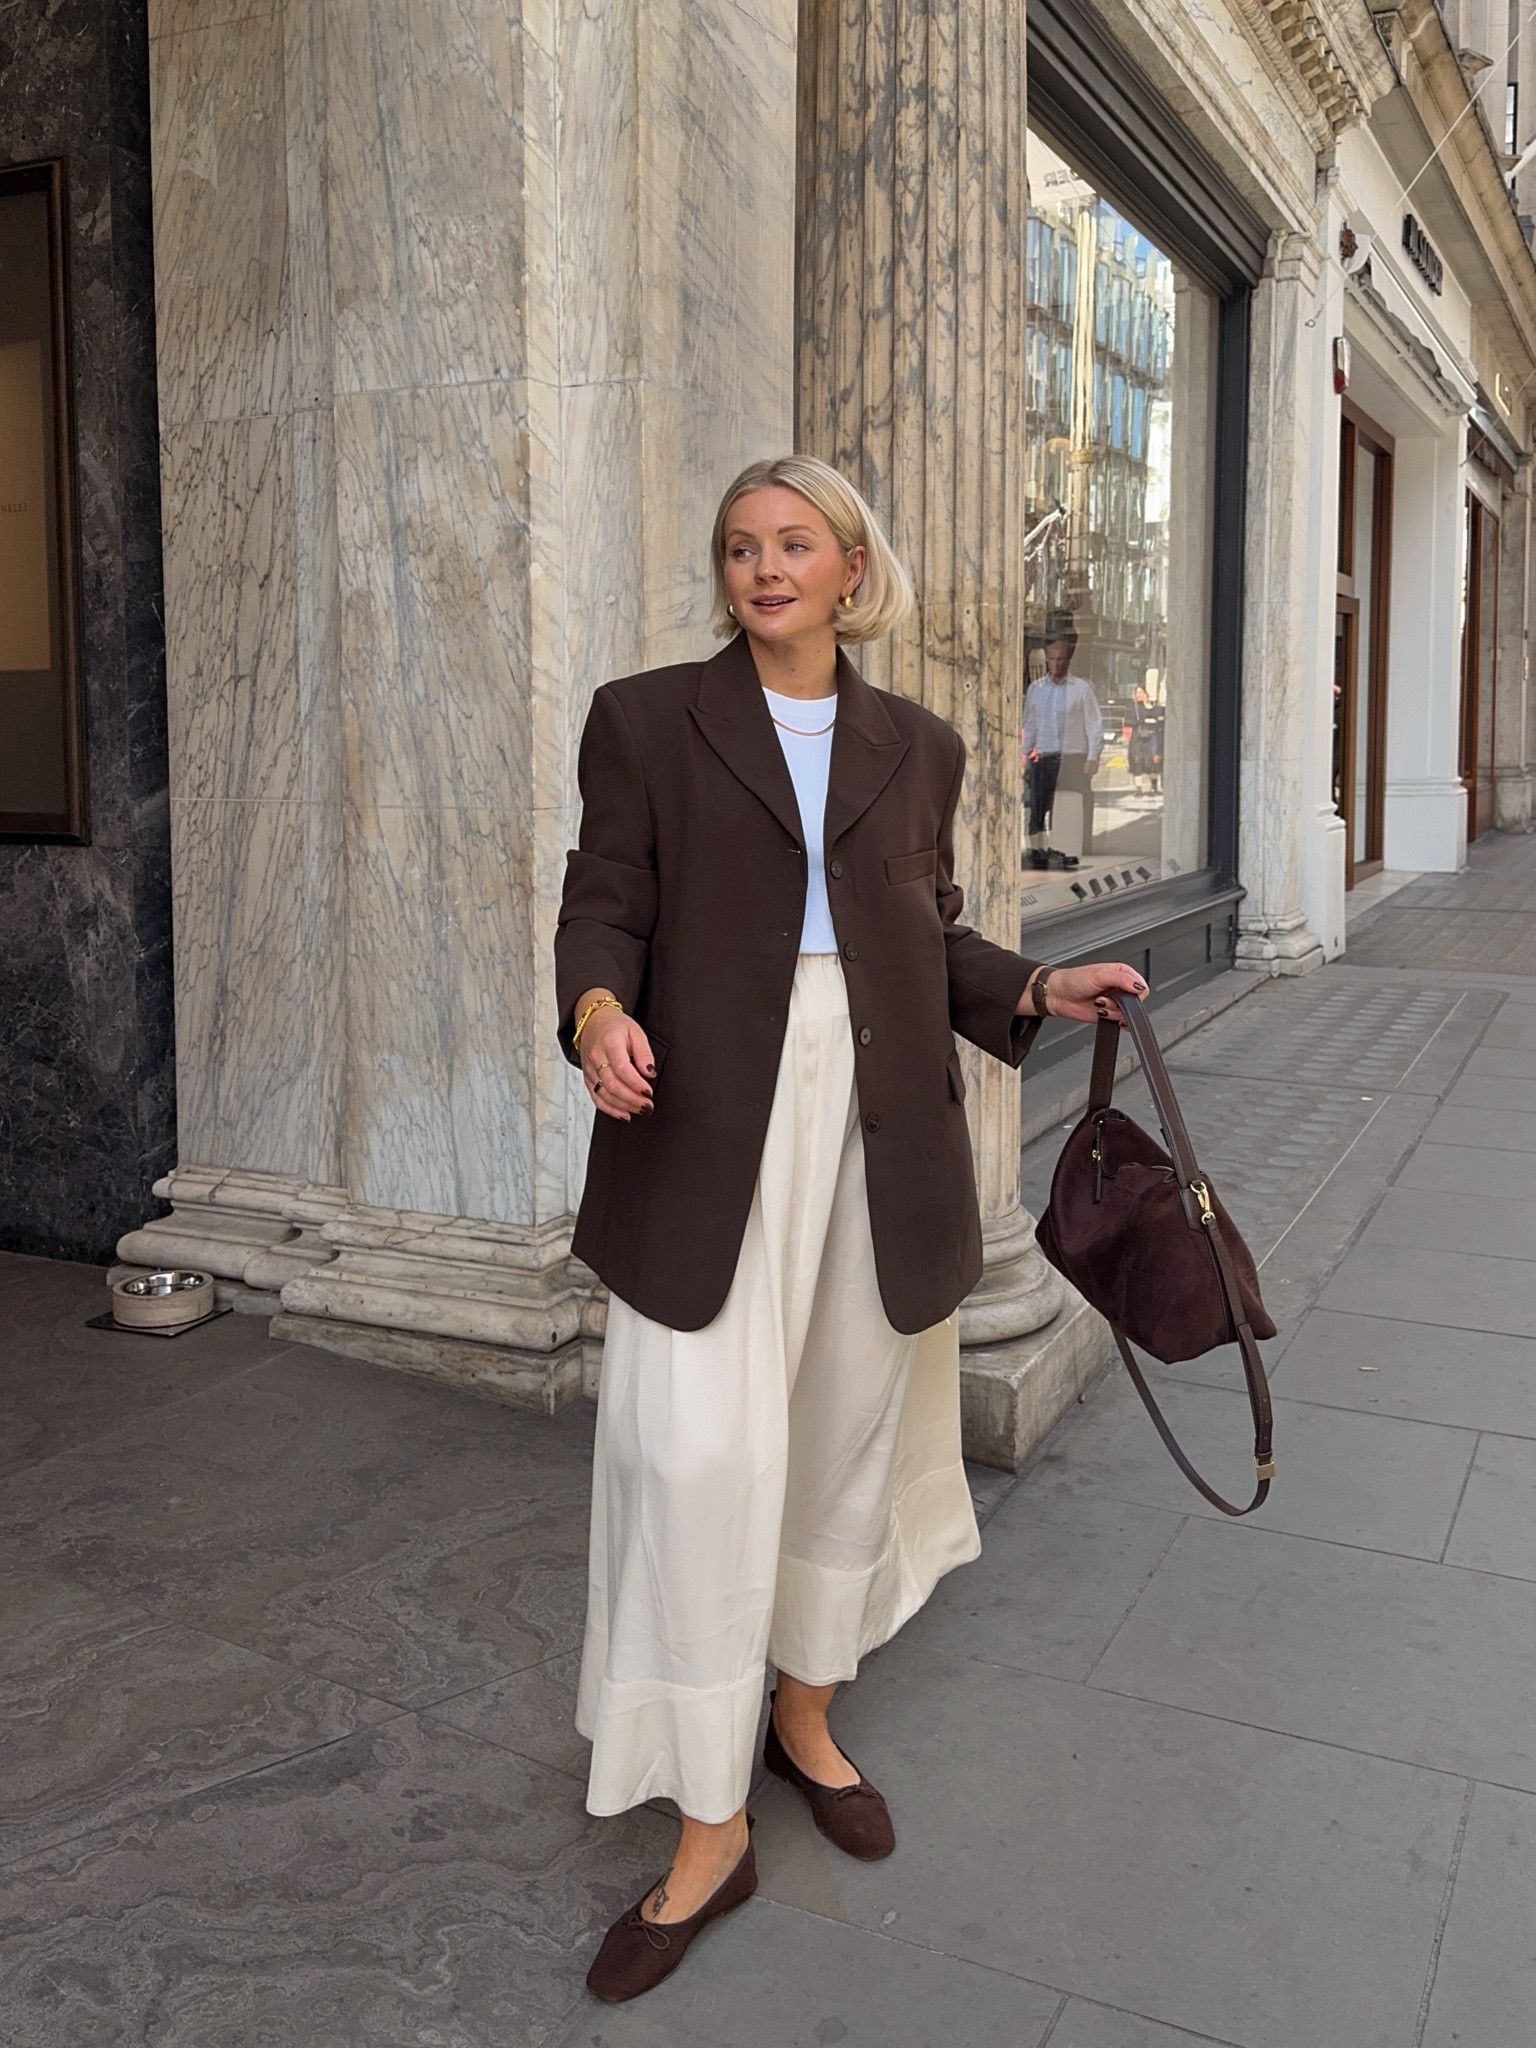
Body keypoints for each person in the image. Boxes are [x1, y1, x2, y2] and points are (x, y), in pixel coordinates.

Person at [556, 455, 1147, 2005]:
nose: (764, 568)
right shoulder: (645, 719)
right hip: (702, 1123)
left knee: (842, 1432)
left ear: (848, 568)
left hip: (877, 1128)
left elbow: (922, 934)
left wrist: (1033, 987)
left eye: (794, 544)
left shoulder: (921, 745)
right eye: (740, 546)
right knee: (693, 1452)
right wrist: (598, 1007)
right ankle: (705, 1819)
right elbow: (602, 893)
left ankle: (804, 1710)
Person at [1023, 626, 1103, 868]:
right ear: (1047, 660)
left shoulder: (1082, 689)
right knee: (1038, 807)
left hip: (1073, 757)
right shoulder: (1036, 690)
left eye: (1062, 659)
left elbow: (1094, 723)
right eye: (1053, 659)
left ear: (1069, 661)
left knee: (1070, 810)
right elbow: (1030, 724)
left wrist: (1093, 756)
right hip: (1045, 756)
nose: (1057, 664)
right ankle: (1038, 853)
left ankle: (1072, 850)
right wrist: (1024, 756)